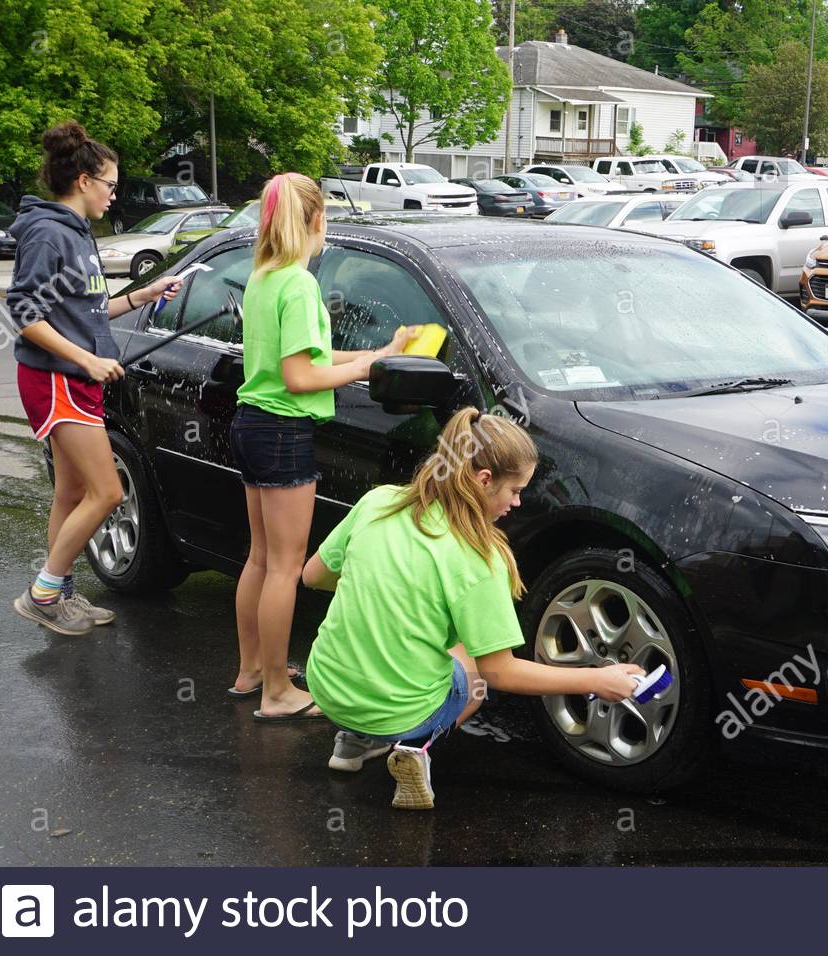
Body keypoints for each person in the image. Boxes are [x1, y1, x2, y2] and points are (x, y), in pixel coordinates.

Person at [301, 407, 643, 810]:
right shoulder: (478, 558)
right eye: (515, 491)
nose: (517, 502)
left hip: (326, 687)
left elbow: (313, 576)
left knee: (398, 648)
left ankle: (350, 742)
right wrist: (596, 681)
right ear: (483, 480)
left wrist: (381, 592)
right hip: (397, 713)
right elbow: (503, 671)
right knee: (474, 672)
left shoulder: (379, 501)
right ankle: (414, 745)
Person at [230, 171, 419, 721]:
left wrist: (376, 352)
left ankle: (252, 671)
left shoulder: (264, 277)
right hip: (285, 433)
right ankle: (277, 694)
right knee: (286, 568)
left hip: (252, 424)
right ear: (316, 221)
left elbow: (306, 356)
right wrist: (364, 366)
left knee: (260, 559)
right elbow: (299, 377)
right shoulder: (300, 284)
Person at [7, 121, 182, 636]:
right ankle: (43, 594)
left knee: (70, 492)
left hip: (73, 379)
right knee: (105, 493)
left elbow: (89, 310)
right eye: (110, 184)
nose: (114, 194)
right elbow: (24, 312)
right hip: (57, 379)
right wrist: (85, 361)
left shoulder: (79, 234)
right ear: (83, 181)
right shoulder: (47, 232)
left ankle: (57, 591)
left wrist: (143, 297)